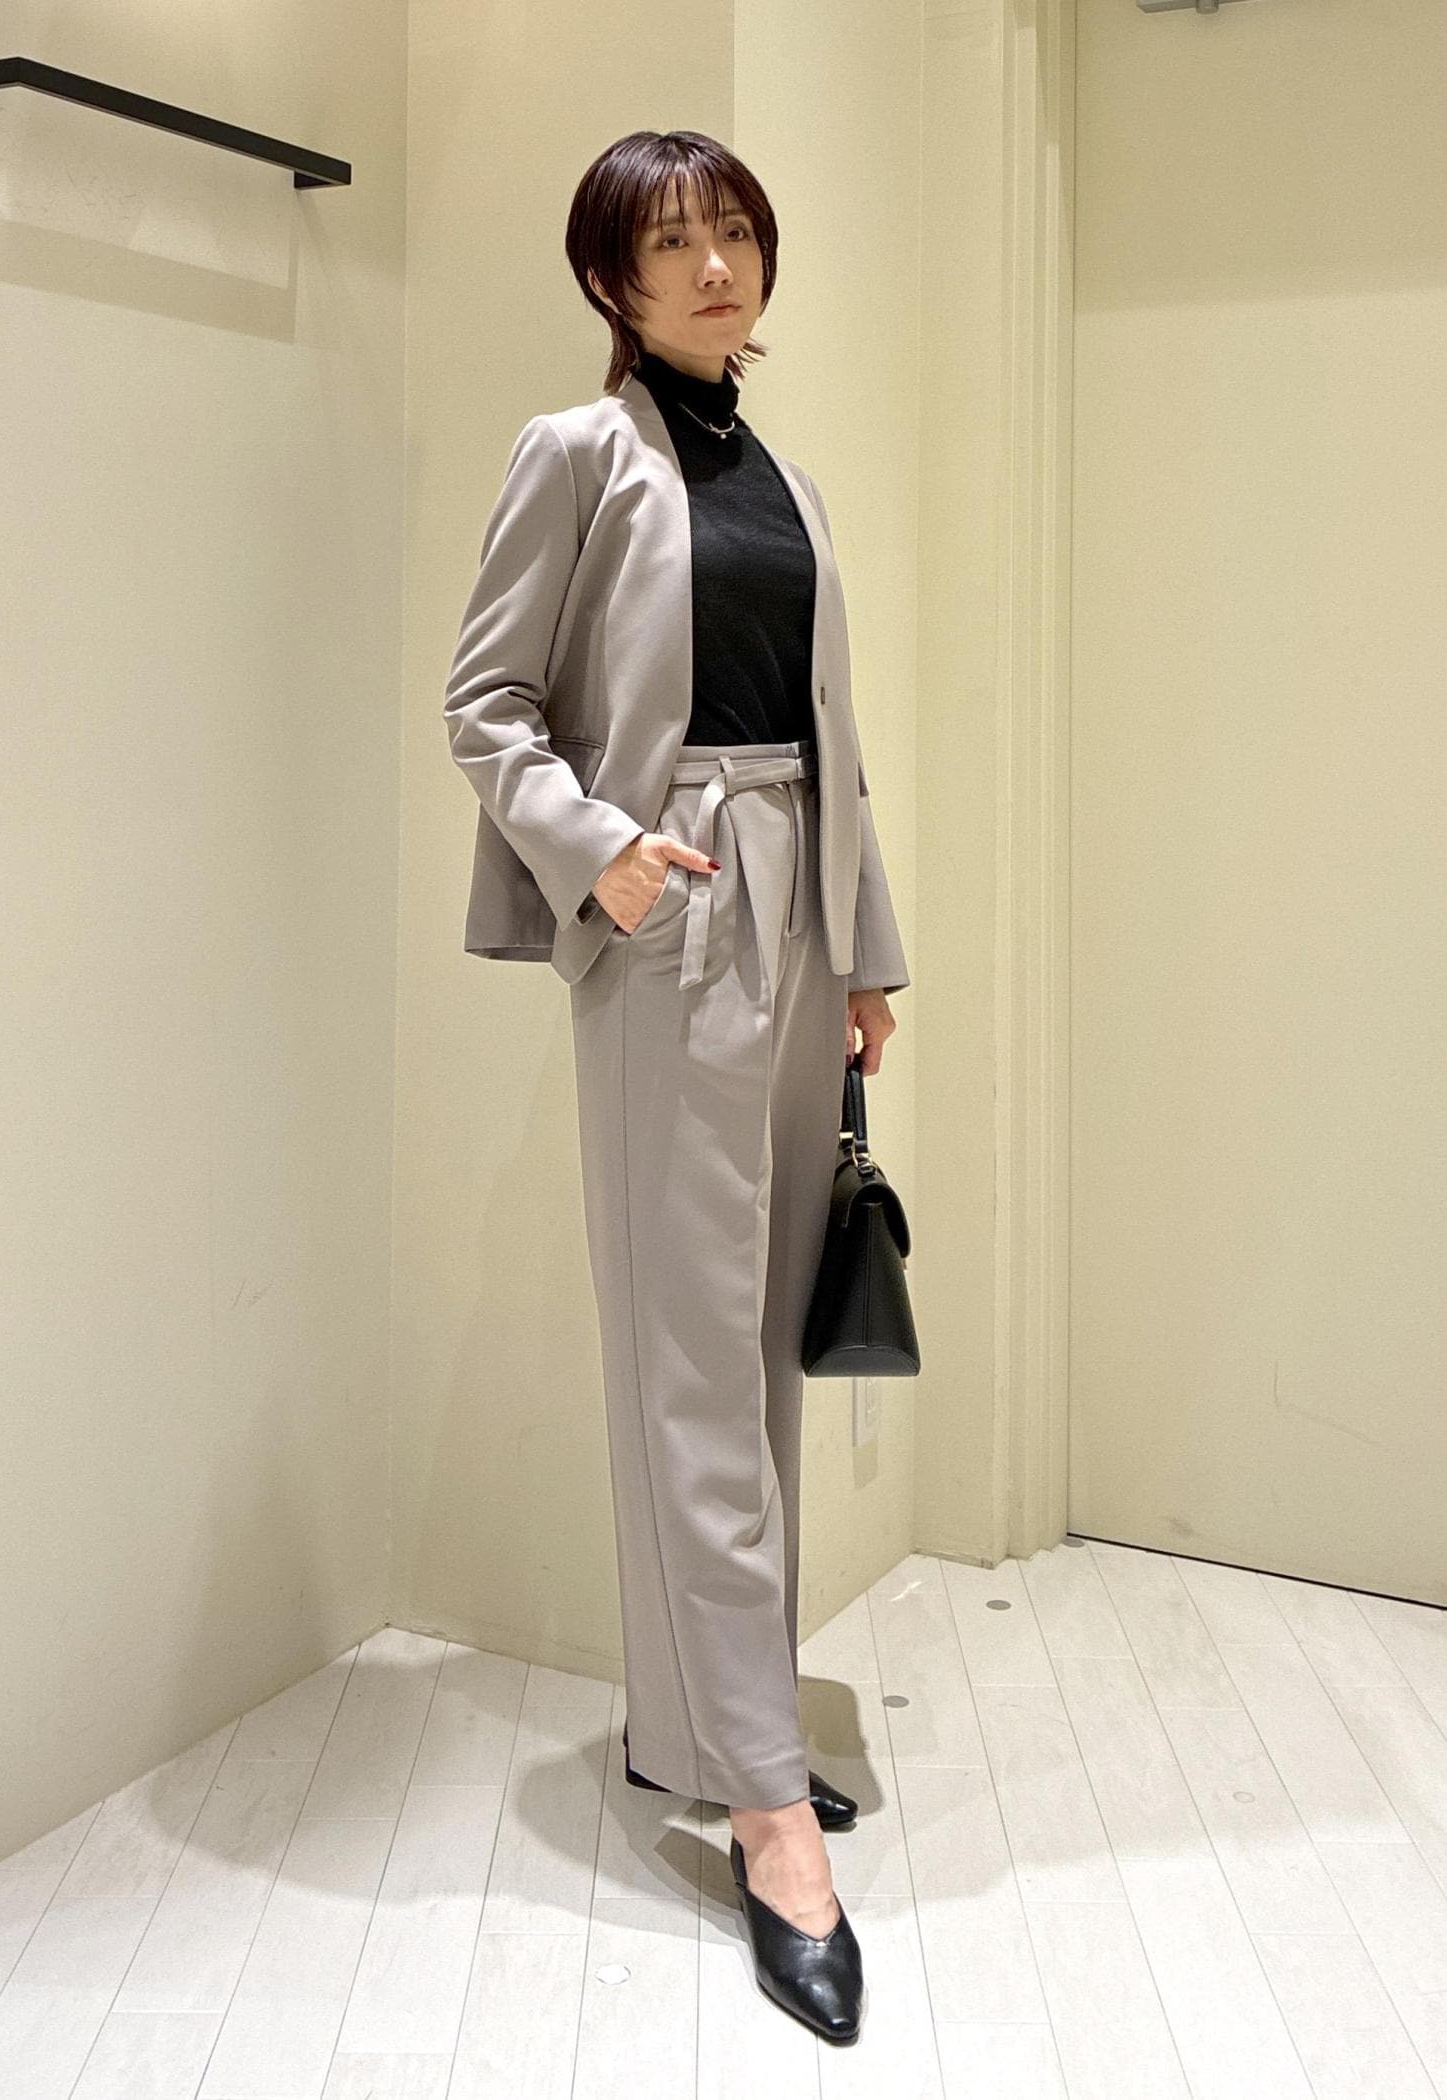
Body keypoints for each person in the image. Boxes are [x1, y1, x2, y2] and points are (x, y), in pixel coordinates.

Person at [442, 129, 909, 2045]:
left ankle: (717, 1727)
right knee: (692, 1371)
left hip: (798, 921)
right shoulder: (577, 453)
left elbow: (833, 734)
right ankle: (770, 1815)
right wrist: (601, 851)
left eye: (735, 234)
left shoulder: (784, 474)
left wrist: (867, 954)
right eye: (672, 241)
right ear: (610, 281)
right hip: (677, 911)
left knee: (763, 1357)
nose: (714, 265)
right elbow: (485, 701)